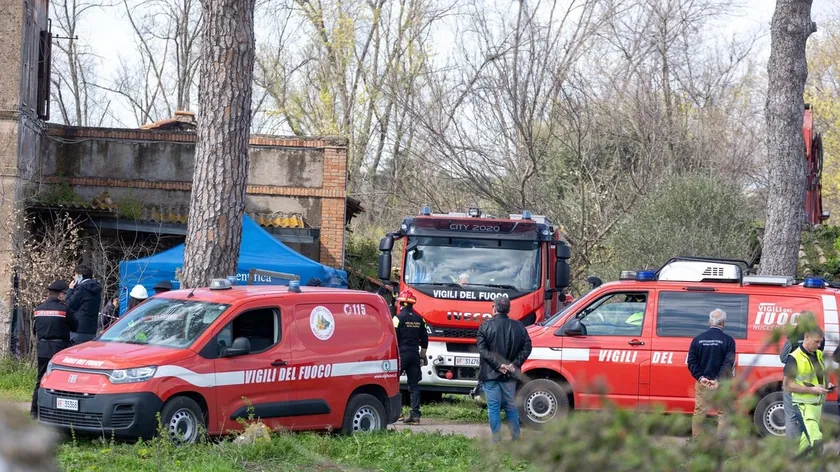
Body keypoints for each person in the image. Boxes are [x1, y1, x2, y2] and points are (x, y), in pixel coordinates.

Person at [476, 297, 532, 443]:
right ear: (509, 309)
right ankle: (515, 438)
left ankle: (496, 440)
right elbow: (527, 347)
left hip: (490, 374)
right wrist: (514, 364)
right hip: (510, 375)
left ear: (493, 308)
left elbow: (482, 350)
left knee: (493, 408)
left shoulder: (485, 326)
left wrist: (498, 365)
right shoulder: (519, 326)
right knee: (511, 407)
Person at [686, 308, 736, 439]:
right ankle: (720, 444)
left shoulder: (697, 340)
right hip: (722, 384)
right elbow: (728, 364)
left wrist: (701, 377)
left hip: (703, 383)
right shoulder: (729, 341)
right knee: (723, 414)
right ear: (723, 323)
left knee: (699, 412)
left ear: (709, 322)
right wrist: (717, 380)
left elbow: (691, 362)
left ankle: (696, 441)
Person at [31, 280, 77, 418]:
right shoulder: (64, 309)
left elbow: (35, 330)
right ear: (61, 295)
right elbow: (76, 326)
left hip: (43, 348)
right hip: (59, 350)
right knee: (61, 382)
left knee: (40, 380)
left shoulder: (38, 309)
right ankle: (58, 413)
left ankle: (34, 412)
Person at [784, 327, 833, 456]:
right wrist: (812, 389)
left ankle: (795, 465)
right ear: (806, 337)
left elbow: (819, 376)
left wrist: (827, 384)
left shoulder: (818, 354)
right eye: (816, 342)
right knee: (816, 441)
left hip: (816, 405)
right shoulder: (794, 358)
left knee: (806, 443)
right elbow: (787, 385)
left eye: (820, 342)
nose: (819, 345)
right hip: (803, 406)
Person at [778, 311, 824, 439]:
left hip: (793, 380)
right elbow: (819, 357)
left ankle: (792, 446)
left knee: (791, 416)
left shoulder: (793, 335)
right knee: (810, 417)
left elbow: (782, 358)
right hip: (812, 382)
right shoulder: (818, 336)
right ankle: (807, 442)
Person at [392, 289, 428, 424]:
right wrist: (421, 357)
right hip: (414, 354)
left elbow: (393, 338)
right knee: (414, 385)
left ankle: (398, 412)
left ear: (401, 303)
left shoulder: (397, 318)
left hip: (401, 354)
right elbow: (425, 340)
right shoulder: (420, 319)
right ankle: (415, 416)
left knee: (394, 382)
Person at [65, 264, 102, 345]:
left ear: (80, 276)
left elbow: (69, 304)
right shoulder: (96, 288)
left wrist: (71, 289)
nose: (74, 278)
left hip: (78, 329)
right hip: (91, 330)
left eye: (75, 275)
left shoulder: (81, 288)